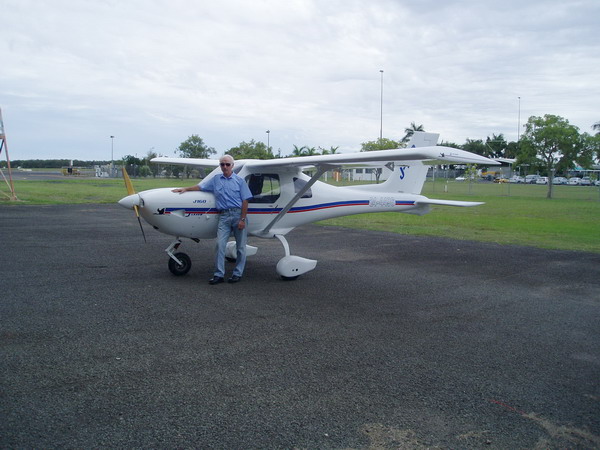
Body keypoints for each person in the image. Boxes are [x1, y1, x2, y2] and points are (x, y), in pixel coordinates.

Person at [172, 155, 253, 284]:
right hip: (224, 216)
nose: (224, 167)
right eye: (222, 164)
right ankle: (219, 275)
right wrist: (186, 189)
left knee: (241, 247)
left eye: (227, 164)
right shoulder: (215, 179)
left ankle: (237, 273)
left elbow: (245, 200)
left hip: (238, 215)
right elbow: (200, 187)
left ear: (232, 166)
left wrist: (242, 219)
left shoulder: (239, 181)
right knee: (220, 245)